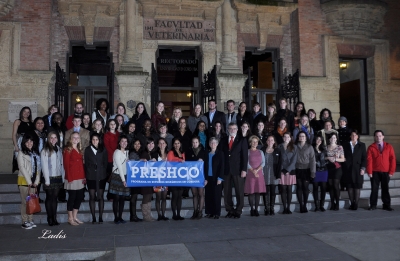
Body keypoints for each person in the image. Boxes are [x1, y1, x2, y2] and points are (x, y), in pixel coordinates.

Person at [221, 122, 249, 219]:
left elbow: (245, 156)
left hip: (238, 170)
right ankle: (229, 210)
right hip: (226, 170)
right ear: (228, 130)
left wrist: (244, 169)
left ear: (237, 129)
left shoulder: (242, 140)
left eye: (234, 128)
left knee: (239, 191)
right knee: (227, 192)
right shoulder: (224, 140)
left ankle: (238, 210)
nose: (232, 130)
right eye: (230, 128)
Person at [366, 130, 396, 211]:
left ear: (383, 137)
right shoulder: (371, 147)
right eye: (376, 136)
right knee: (374, 189)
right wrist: (369, 171)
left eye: (380, 136)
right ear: (374, 137)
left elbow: (392, 159)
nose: (378, 137)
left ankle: (386, 205)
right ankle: (373, 205)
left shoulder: (389, 146)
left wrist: (391, 171)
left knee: (385, 189)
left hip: (386, 172)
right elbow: (369, 160)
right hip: (375, 172)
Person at [17, 134, 41, 229]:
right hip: (24, 181)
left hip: (34, 182)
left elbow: (38, 169)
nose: (29, 143)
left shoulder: (35, 153)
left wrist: (36, 181)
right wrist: (29, 181)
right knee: (24, 202)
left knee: (32, 201)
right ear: (24, 143)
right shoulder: (21, 153)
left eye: (31, 141)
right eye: (27, 142)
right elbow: (22, 168)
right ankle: (24, 221)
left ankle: (30, 220)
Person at [84, 133, 108, 224]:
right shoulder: (87, 150)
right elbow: (86, 164)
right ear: (91, 140)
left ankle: (100, 217)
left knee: (101, 196)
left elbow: (105, 163)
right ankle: (94, 217)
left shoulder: (103, 150)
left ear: (99, 140)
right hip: (91, 176)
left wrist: (101, 170)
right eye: (93, 139)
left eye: (96, 139)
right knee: (92, 196)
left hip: (101, 176)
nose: (95, 141)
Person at [41, 132, 64, 226]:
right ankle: (49, 218)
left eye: (55, 137)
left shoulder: (59, 149)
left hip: (58, 176)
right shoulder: (45, 150)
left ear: (57, 139)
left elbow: (61, 164)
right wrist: (47, 180)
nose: (53, 139)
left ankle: (54, 218)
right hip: (49, 177)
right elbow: (44, 166)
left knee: (55, 198)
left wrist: (62, 177)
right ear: (48, 139)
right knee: (49, 198)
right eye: (51, 137)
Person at [63, 132, 86, 226]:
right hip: (72, 177)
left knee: (79, 197)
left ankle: (75, 216)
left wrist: (84, 176)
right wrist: (69, 178)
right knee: (72, 198)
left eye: (77, 137)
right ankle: (70, 218)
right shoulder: (67, 150)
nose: (76, 139)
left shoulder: (79, 149)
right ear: (70, 139)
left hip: (80, 177)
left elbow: (81, 165)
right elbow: (66, 165)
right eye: (74, 137)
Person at [343, 130, 366, 210]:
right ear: (350, 136)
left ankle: (356, 203)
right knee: (349, 186)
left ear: (358, 136)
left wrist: (363, 168)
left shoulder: (362, 145)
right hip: (348, 168)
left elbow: (364, 158)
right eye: (352, 135)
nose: (353, 137)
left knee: (357, 186)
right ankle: (352, 203)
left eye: (355, 135)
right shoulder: (345, 145)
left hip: (358, 168)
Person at [109, 135, 130, 224]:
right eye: (122, 141)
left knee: (122, 198)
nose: (124, 143)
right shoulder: (117, 152)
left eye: (126, 141)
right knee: (116, 198)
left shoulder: (127, 152)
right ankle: (116, 218)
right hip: (117, 176)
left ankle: (120, 217)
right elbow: (120, 167)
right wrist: (123, 180)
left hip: (125, 176)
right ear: (119, 142)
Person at [186, 136, 207, 220]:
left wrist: (206, 178)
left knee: (201, 194)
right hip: (192, 176)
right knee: (194, 194)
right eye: (193, 142)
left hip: (201, 176)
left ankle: (200, 211)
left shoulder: (204, 152)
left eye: (196, 142)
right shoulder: (189, 151)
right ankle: (195, 211)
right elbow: (187, 164)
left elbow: (206, 166)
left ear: (199, 143)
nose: (195, 144)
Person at [245, 136, 266, 217]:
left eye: (256, 142)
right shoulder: (247, 152)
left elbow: (263, 163)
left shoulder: (260, 152)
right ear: (250, 143)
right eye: (253, 142)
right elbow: (246, 163)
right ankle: (252, 209)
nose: (255, 143)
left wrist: (257, 170)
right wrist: (253, 170)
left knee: (257, 192)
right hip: (250, 174)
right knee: (251, 192)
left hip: (259, 174)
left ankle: (256, 209)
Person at [295, 131, 316, 213]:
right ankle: (301, 205)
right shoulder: (295, 146)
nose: (302, 137)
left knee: (305, 187)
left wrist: (313, 171)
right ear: (298, 137)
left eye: (303, 136)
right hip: (298, 169)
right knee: (299, 187)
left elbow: (312, 160)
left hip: (307, 169)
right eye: (300, 136)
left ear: (306, 137)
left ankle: (305, 205)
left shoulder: (310, 147)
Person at [204, 137, 224, 219]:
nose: (213, 144)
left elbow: (222, 166)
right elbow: (204, 167)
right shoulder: (206, 154)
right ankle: (209, 212)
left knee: (216, 196)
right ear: (209, 144)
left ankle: (216, 213)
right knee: (208, 195)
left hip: (216, 178)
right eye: (211, 143)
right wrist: (205, 178)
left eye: (214, 143)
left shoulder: (220, 153)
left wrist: (220, 178)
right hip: (208, 178)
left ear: (217, 144)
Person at [262, 135, 281, 216]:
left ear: (274, 142)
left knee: (273, 191)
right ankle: (266, 208)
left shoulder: (277, 150)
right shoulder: (262, 150)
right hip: (264, 172)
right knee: (265, 191)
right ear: (266, 142)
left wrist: (279, 175)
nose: (270, 141)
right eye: (268, 140)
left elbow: (280, 164)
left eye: (272, 140)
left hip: (274, 173)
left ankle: (272, 207)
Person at [279, 132, 298, 214]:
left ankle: (288, 207)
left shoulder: (294, 147)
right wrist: (283, 170)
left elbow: (294, 160)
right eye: (285, 137)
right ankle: (284, 207)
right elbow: (278, 159)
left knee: (289, 189)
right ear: (283, 138)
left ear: (290, 138)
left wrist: (287, 170)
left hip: (290, 170)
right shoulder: (279, 146)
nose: (286, 138)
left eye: (288, 137)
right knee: (283, 189)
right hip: (282, 170)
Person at [139, 138, 157, 222]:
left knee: (149, 196)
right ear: (146, 145)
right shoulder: (144, 153)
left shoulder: (150, 153)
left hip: (150, 179)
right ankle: (146, 215)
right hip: (145, 180)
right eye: (149, 143)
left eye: (152, 143)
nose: (151, 145)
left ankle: (148, 215)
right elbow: (141, 165)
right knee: (146, 197)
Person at [167, 138, 186, 220]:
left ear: (180, 144)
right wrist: (179, 160)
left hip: (181, 177)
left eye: (178, 143)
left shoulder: (182, 153)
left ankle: (178, 214)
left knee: (179, 196)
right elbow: (170, 161)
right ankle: (174, 214)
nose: (176, 145)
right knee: (174, 196)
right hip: (173, 177)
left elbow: (184, 163)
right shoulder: (170, 152)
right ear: (173, 144)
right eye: (175, 143)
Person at [326, 133, 345, 211]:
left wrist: (335, 159)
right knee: (330, 185)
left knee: (335, 185)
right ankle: (332, 203)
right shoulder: (326, 147)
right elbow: (323, 157)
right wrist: (328, 158)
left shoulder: (339, 147)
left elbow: (343, 159)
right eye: (331, 137)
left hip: (337, 168)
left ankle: (337, 203)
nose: (333, 139)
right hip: (329, 168)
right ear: (329, 139)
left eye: (334, 137)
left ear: (336, 139)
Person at [12, 107, 34, 173]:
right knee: (21, 159)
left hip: (30, 142)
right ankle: (22, 175)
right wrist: (15, 145)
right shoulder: (17, 121)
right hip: (21, 141)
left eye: (28, 112)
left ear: (30, 114)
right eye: (24, 111)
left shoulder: (32, 122)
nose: (26, 113)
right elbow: (14, 134)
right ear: (22, 112)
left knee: (29, 158)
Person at [31, 117, 47, 203]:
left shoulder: (44, 134)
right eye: (38, 123)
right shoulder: (32, 133)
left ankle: (37, 196)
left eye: (42, 123)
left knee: (39, 179)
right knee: (34, 179)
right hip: (34, 159)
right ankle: (34, 197)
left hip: (43, 159)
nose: (40, 124)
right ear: (35, 124)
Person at [104, 119, 120, 201]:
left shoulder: (118, 134)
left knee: (117, 177)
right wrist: (115, 154)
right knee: (112, 177)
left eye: (114, 124)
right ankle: (110, 195)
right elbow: (107, 147)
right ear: (108, 125)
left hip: (119, 159)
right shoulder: (106, 135)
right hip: (111, 158)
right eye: (111, 124)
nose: (113, 125)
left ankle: (117, 194)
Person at [128, 139, 143, 222]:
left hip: (138, 178)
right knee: (133, 197)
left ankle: (134, 215)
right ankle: (133, 216)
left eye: (139, 144)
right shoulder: (132, 153)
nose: (137, 145)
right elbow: (132, 164)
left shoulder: (140, 153)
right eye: (135, 144)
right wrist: (139, 161)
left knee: (135, 197)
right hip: (134, 178)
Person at [154, 138, 169, 221]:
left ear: (166, 144)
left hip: (166, 179)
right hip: (157, 179)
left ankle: (163, 214)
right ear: (158, 145)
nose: (162, 145)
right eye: (160, 143)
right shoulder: (155, 154)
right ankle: (159, 215)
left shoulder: (169, 154)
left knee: (164, 197)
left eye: (163, 143)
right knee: (158, 197)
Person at [313, 135, 328, 212]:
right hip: (315, 170)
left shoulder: (324, 149)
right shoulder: (312, 148)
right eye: (317, 139)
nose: (319, 141)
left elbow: (327, 159)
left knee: (323, 188)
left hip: (324, 170)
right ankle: (316, 205)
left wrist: (320, 163)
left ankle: (322, 205)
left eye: (320, 140)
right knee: (315, 188)